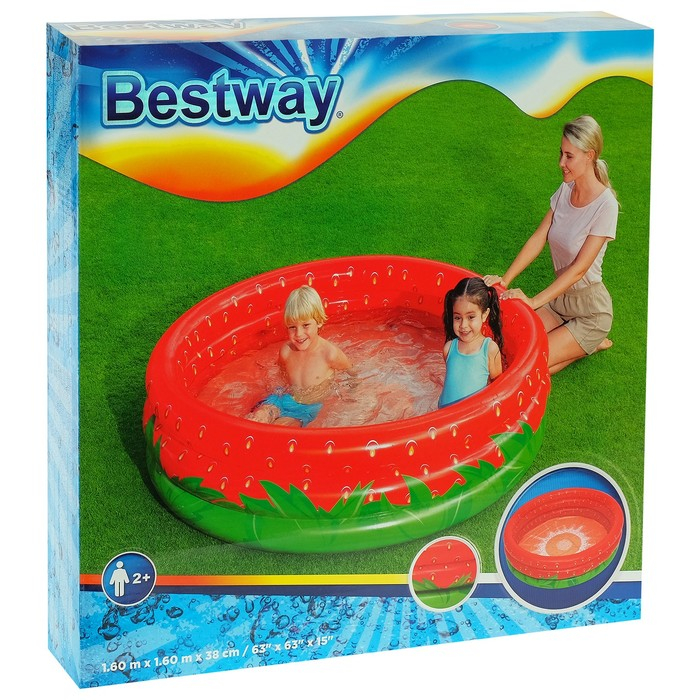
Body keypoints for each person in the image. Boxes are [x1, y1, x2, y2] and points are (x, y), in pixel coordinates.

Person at [484, 115, 619, 375]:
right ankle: (583, 344)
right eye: (561, 153)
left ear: (589, 155)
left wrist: (533, 301)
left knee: (528, 366)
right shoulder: (566, 190)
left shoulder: (606, 206)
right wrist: (505, 279)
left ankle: (589, 342)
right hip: (560, 301)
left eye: (569, 156)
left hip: (591, 312)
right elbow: (539, 237)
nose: (561, 163)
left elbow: (579, 269)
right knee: (510, 347)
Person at [247, 285, 352, 427]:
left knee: (280, 429)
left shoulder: (329, 354)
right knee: (257, 418)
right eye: (292, 327)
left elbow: (351, 372)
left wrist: (350, 395)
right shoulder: (286, 351)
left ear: (319, 322)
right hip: (282, 398)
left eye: (306, 325)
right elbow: (281, 374)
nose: (299, 334)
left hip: (307, 407)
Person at [439, 276, 503, 409]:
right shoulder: (449, 348)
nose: (463, 325)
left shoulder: (489, 349)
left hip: (471, 417)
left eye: (471, 317)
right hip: (442, 415)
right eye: (457, 317)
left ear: (484, 315)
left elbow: (498, 387)